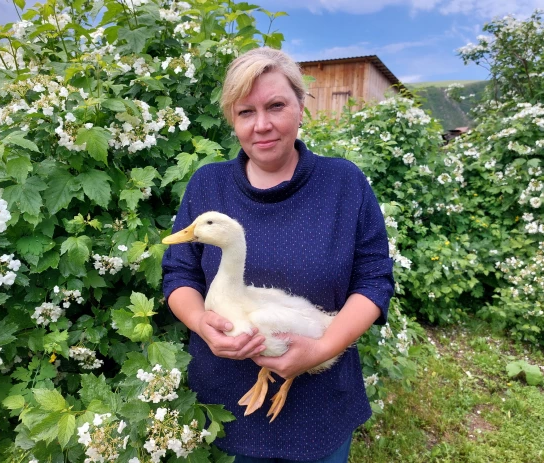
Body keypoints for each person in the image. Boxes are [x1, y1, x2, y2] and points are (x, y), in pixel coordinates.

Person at [162, 47, 394, 462]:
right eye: (246, 112)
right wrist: (200, 322)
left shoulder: (344, 184)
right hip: (225, 401)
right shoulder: (207, 186)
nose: (262, 125)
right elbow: (179, 275)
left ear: (302, 107)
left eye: (276, 106)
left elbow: (374, 279)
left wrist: (321, 351)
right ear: (232, 119)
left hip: (321, 406)